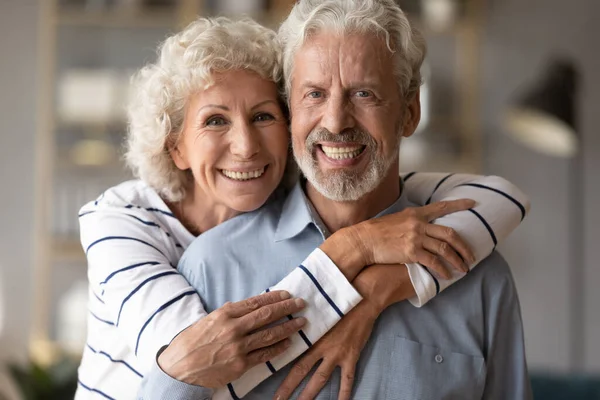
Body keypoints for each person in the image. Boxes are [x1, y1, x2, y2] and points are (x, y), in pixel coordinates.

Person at [76, 14, 530, 400]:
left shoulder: (479, 275)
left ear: (410, 113)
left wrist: (377, 290)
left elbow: (503, 198)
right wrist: (357, 248)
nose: (335, 122)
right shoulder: (186, 259)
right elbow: (181, 364)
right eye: (314, 93)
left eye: (365, 93)